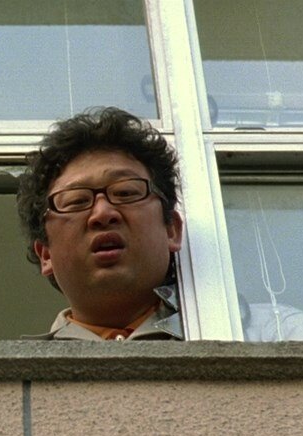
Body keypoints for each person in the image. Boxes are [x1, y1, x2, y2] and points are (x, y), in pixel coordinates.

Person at [16, 107, 184, 341]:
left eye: (125, 192)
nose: (103, 213)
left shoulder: (222, 330)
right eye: (76, 201)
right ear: (46, 254)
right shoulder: (24, 363)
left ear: (171, 230)